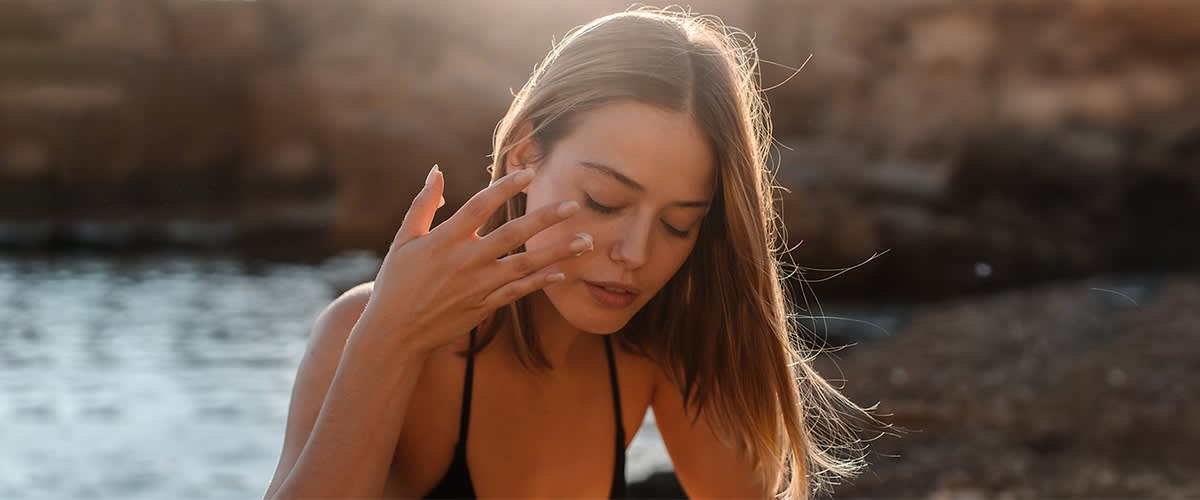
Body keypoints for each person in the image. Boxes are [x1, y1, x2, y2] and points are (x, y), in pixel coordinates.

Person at [263, 7, 879, 500]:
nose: (636, 254)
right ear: (525, 158)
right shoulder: (366, 330)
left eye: (679, 224)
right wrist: (388, 340)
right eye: (605, 201)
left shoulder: (653, 353)